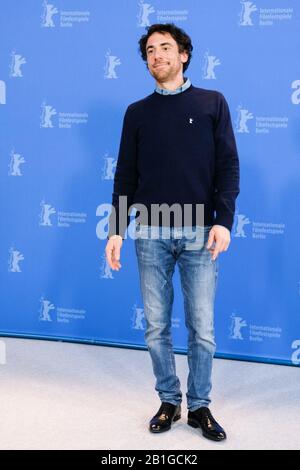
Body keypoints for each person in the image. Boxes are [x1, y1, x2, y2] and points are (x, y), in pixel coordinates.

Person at [105, 23, 240, 442]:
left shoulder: (212, 103)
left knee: (202, 328)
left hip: (200, 232)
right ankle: (169, 400)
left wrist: (223, 220)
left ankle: (199, 407)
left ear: (184, 55)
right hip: (150, 233)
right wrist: (116, 231)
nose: (157, 55)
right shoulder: (137, 112)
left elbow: (227, 167)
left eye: (166, 47)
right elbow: (125, 175)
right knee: (156, 326)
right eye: (150, 50)